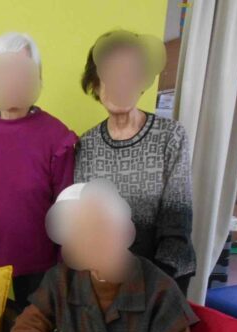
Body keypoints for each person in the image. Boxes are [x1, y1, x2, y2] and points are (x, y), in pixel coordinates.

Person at [10, 180, 197, 332]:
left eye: (101, 229)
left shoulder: (161, 291)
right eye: (80, 233)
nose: (92, 241)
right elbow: (26, 331)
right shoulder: (61, 279)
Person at [0, 32, 77, 310]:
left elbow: (66, 209)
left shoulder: (56, 135)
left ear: (36, 78)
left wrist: (64, 269)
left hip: (40, 266)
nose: (12, 80)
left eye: (22, 72)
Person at [75, 30, 196, 295]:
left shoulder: (170, 135)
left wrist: (151, 282)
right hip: (106, 274)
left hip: (163, 274)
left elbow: (178, 218)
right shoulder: (87, 144)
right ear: (95, 85)